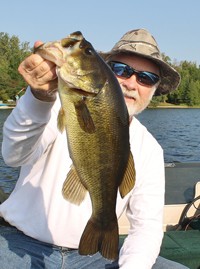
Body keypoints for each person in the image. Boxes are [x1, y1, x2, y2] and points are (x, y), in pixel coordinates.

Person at [0, 29, 188, 269]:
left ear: (154, 88)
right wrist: (38, 97)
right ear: (107, 72)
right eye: (122, 70)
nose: (131, 83)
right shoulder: (54, 104)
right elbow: (14, 156)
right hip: (21, 243)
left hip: (95, 257)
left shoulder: (149, 148)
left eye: (146, 78)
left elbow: (146, 227)